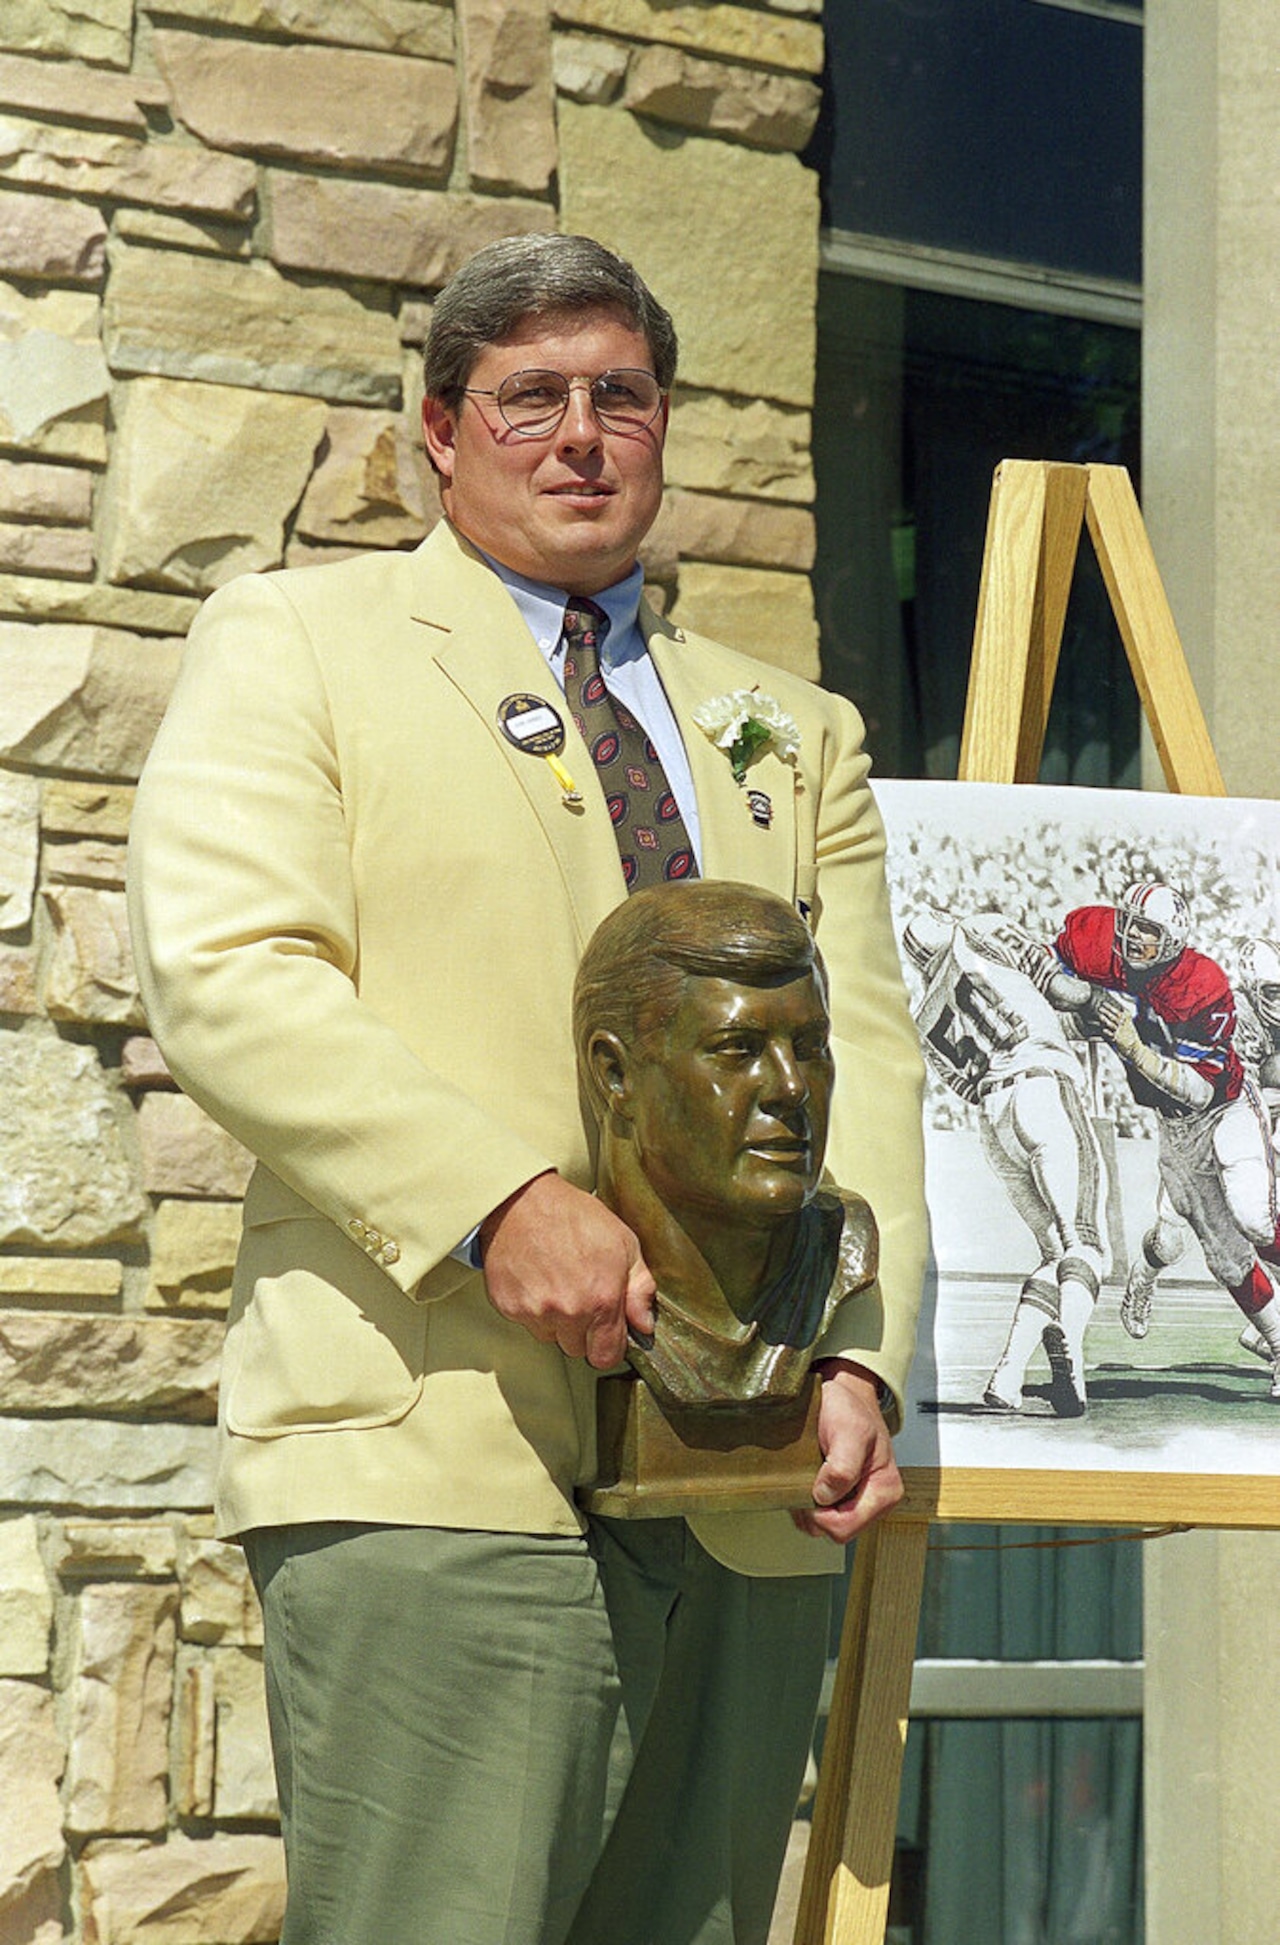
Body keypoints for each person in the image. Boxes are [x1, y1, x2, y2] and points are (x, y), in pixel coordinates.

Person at [126, 233, 927, 1945]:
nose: (580, 436)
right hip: (441, 1457)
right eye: (529, 400)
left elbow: (867, 1066)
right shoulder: (295, 643)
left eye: (618, 398)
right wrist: (498, 1201)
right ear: (439, 431)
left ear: (663, 424)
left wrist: (862, 1351)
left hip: (747, 1475)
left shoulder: (802, 732)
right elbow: (229, 969)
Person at [574, 879, 879, 1414]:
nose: (792, 1086)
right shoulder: (573, 1264)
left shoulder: (841, 1254)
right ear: (616, 1074)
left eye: (810, 1048)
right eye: (738, 1049)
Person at [1049, 883, 1280, 1399]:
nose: (1133, 937)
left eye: (1149, 930)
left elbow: (1199, 1090)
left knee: (1255, 1218)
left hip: (1224, 1106)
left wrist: (1131, 1046)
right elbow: (1051, 969)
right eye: (1130, 923)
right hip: (1173, 1128)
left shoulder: (1201, 984)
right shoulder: (1097, 937)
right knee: (1224, 1257)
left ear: (1173, 939)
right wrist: (1071, 998)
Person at [901, 909, 1109, 1417]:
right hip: (1042, 1085)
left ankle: (1008, 1376)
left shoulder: (925, 1012)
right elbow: (1059, 991)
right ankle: (1072, 1342)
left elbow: (967, 1082)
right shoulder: (984, 928)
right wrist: (1099, 1002)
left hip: (995, 1122)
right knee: (1088, 1242)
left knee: (1053, 1250)